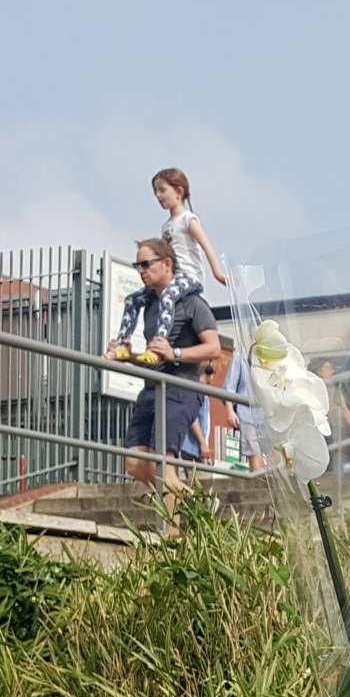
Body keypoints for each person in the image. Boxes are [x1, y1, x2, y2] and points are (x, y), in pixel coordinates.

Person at [121, 238, 220, 495]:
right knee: (134, 463)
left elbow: (213, 348)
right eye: (137, 265)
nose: (141, 271)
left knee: (163, 467)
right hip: (153, 388)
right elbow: (156, 356)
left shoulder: (192, 302)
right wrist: (130, 357)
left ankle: (180, 519)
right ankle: (188, 502)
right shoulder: (149, 306)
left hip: (180, 387)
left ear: (167, 264)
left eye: (146, 264)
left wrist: (174, 353)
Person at [108, 167, 228, 360]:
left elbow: (207, 246)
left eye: (162, 190)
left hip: (189, 277)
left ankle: (158, 347)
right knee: (132, 299)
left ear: (179, 191)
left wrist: (218, 274)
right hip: (174, 278)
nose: (158, 196)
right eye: (156, 191)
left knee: (167, 296)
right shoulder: (166, 226)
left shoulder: (188, 220)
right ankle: (122, 343)